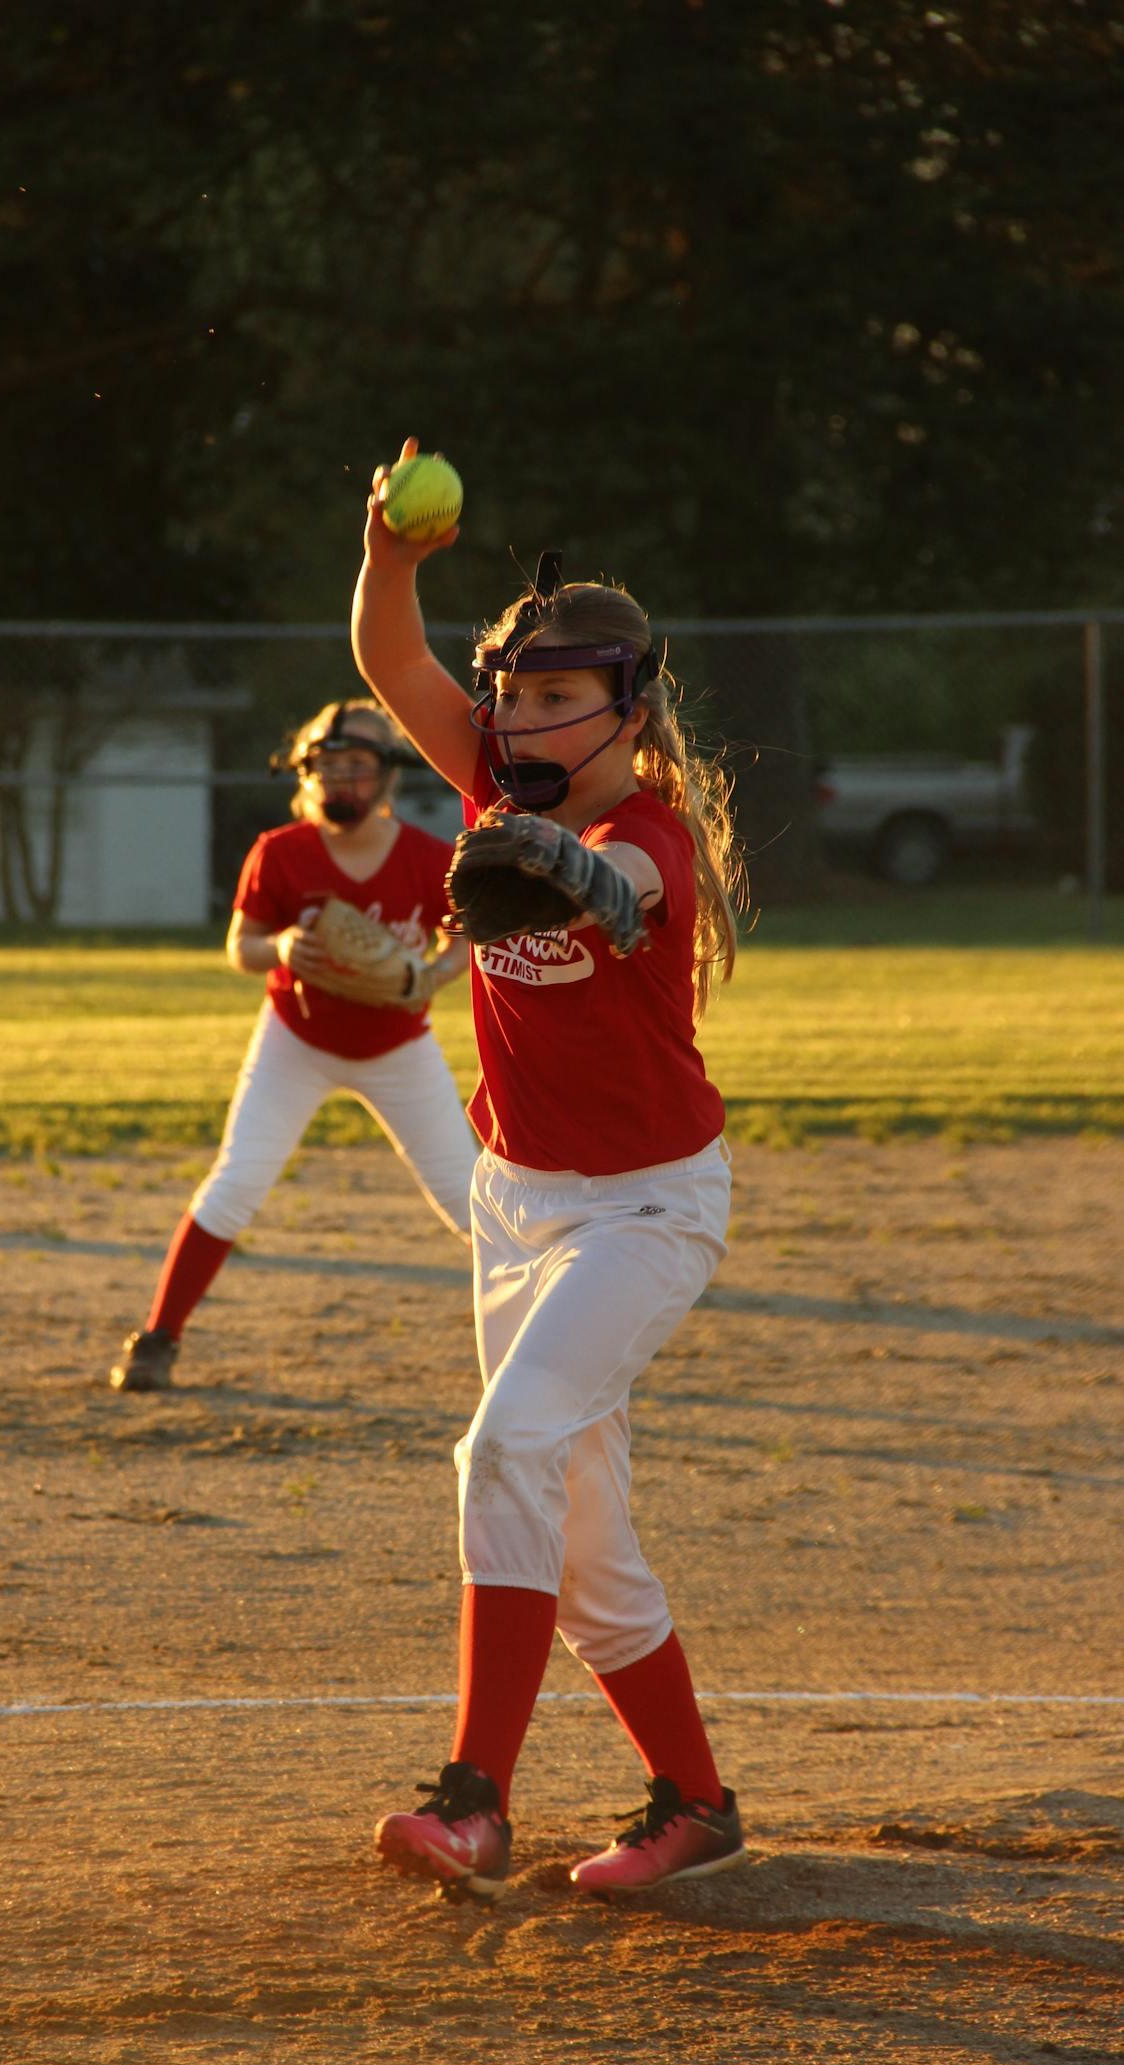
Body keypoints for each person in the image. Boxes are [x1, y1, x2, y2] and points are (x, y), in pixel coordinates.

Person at [351, 438, 747, 1901]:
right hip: (516, 1205)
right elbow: (390, 661)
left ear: (630, 713)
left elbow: (631, 888)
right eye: (511, 690)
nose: (519, 716)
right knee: (580, 1544)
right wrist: (392, 551)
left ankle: (474, 1805)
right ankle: (695, 1806)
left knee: (504, 1447)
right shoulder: (485, 773)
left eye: (558, 696)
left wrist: (569, 868)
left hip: (648, 1207)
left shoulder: (642, 828)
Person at [111, 698, 476, 1392]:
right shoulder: (281, 852)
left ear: (387, 774)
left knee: (468, 1199)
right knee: (238, 1181)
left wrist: (435, 974)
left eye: (358, 767)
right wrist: (278, 945)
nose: (342, 782)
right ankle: (159, 1336)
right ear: (305, 774)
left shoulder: (429, 859)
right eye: (327, 767)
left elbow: (459, 938)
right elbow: (239, 948)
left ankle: (536, 1344)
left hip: (398, 1045)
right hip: (296, 1039)